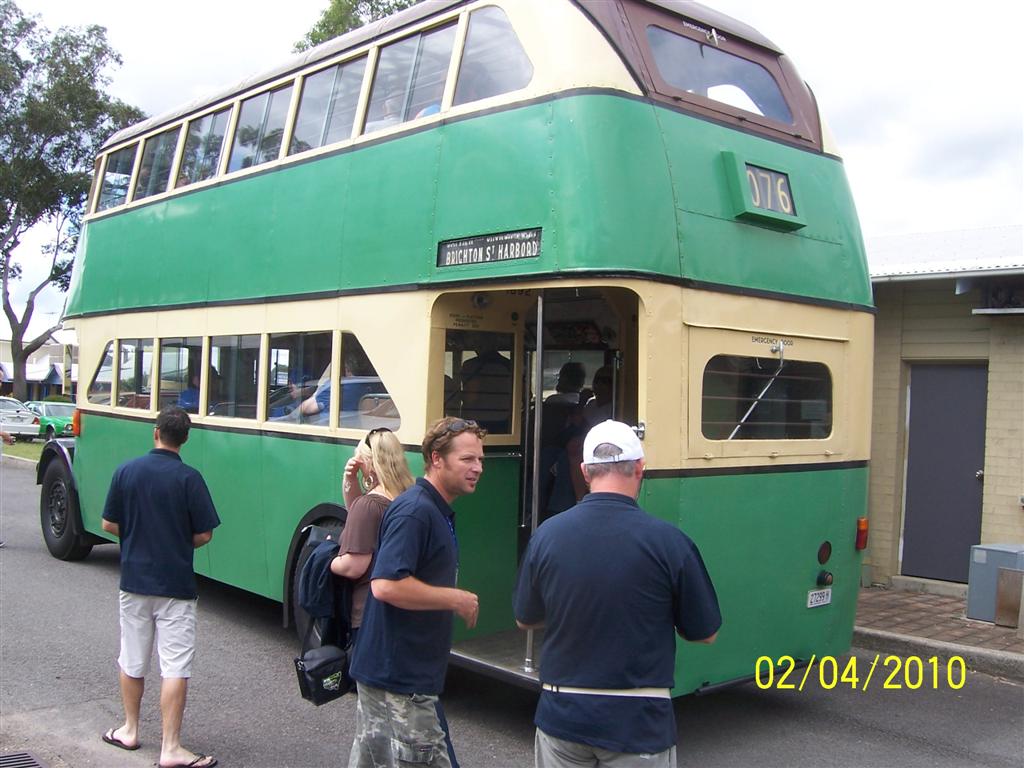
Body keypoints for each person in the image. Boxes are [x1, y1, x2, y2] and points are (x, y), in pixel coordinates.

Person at [514, 420, 721, 768]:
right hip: (638, 720)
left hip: (561, 714)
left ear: (583, 471)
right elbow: (706, 633)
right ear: (640, 469)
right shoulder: (671, 542)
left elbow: (526, 618)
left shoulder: (547, 536)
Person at [347, 417, 486, 768]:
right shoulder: (416, 511)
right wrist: (455, 598)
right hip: (399, 678)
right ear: (437, 459)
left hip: (403, 675)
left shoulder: (432, 508)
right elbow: (385, 584)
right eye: (467, 459)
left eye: (480, 460)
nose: (477, 468)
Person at [100, 406, 220, 768]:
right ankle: (170, 747)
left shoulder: (126, 471)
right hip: (176, 585)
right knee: (174, 667)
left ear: (156, 432)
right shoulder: (190, 478)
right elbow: (204, 534)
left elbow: (108, 524)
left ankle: (130, 730)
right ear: (184, 439)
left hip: (134, 581)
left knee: (132, 658)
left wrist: (138, 536)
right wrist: (176, 540)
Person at [331, 427, 415, 636]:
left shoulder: (368, 505)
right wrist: (350, 481)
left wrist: (329, 559)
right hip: (404, 610)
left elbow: (354, 567)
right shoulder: (411, 497)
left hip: (369, 614)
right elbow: (359, 522)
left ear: (368, 463)